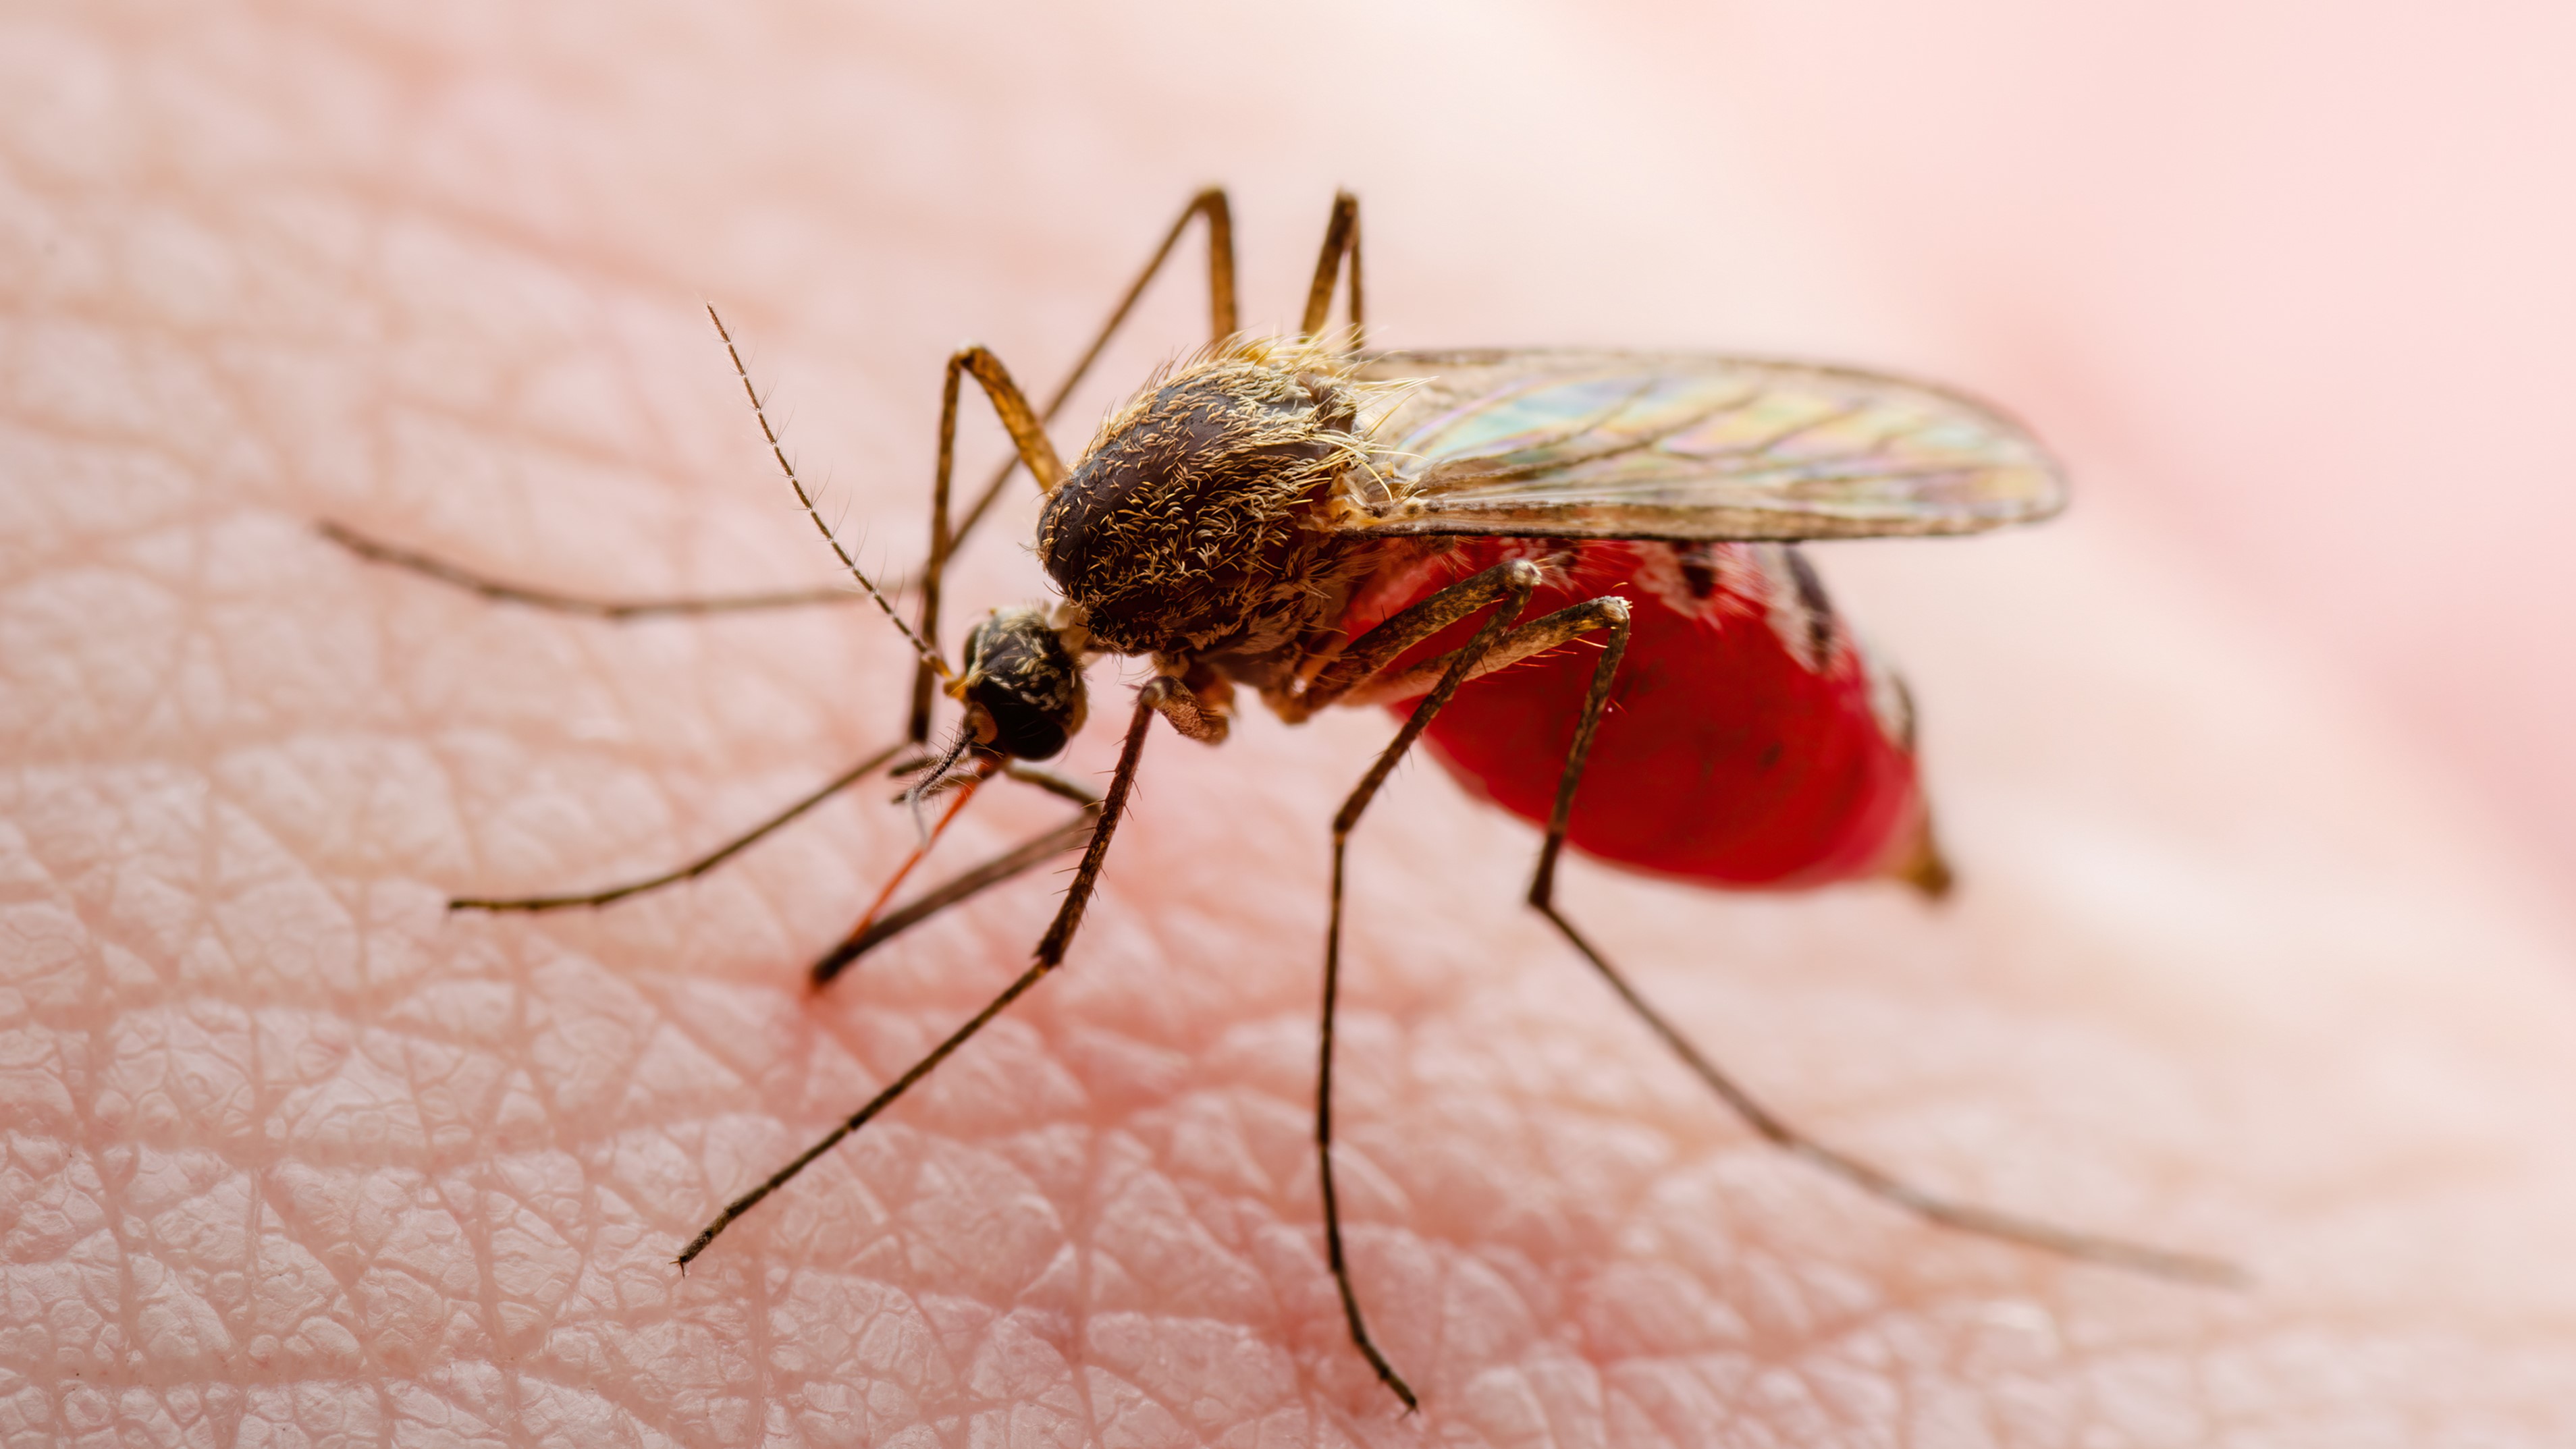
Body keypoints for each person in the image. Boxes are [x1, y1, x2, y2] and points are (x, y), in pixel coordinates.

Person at [8, 3, 2573, 1442]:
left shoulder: (1158, 609)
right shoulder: (1093, 558)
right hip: (1460, 525)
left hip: (1683, 651)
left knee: (1358, 819)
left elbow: (1085, 880)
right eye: (989, 684)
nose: (1002, 708)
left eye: (997, 693)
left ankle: (1778, 1099)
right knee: (1193, 507)